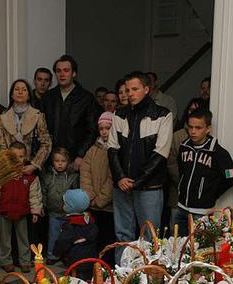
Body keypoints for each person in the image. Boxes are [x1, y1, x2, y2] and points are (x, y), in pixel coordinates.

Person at [108, 71, 173, 261]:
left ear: (146, 89)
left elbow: (161, 153)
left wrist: (136, 182)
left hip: (149, 187)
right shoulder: (119, 114)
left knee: (150, 237)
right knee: (122, 236)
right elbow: (112, 149)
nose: (130, 93)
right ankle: (121, 275)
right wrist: (120, 178)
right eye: (127, 90)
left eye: (135, 89)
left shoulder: (162, 115)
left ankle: (148, 278)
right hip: (121, 186)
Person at [173, 108, 233, 236]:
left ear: (208, 129)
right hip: (181, 208)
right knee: (177, 246)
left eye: (198, 128)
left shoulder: (217, 152)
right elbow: (181, 170)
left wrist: (212, 192)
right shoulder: (184, 147)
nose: (193, 131)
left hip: (202, 212)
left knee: (200, 250)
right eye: (190, 127)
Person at [0, 142, 42, 272]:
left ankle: (25, 261)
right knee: (5, 239)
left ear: (25, 157)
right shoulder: (1, 174)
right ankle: (6, 261)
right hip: (4, 211)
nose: (18, 160)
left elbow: (35, 196)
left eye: (21, 156)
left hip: (22, 212)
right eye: (15, 156)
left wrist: (35, 211)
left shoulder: (29, 176)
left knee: (23, 239)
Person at [40, 54, 100, 168]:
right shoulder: (47, 98)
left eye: (66, 70)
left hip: (74, 160)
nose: (62, 74)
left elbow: (92, 131)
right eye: (58, 71)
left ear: (74, 73)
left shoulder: (86, 98)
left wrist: (81, 155)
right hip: (50, 160)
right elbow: (41, 130)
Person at [0, 79, 52, 174]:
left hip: (31, 166)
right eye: (17, 89)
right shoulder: (3, 117)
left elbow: (46, 143)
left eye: (24, 90)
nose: (20, 92)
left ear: (29, 95)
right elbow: (1, 145)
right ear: (12, 95)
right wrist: (9, 164)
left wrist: (34, 165)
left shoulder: (38, 115)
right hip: (9, 168)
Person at [168, 97, 208, 227]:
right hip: (178, 194)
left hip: (200, 201)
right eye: (191, 110)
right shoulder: (177, 136)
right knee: (176, 233)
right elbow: (171, 162)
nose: (193, 113)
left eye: (197, 110)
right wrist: (184, 181)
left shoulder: (210, 141)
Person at [80, 112, 114, 262]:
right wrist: (90, 196)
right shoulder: (93, 150)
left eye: (108, 128)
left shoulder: (115, 150)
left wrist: (101, 199)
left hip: (109, 206)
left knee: (109, 238)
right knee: (95, 238)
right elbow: (85, 172)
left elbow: (113, 177)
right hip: (93, 204)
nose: (104, 131)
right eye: (101, 128)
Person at [41, 147, 79, 262]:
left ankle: (67, 255)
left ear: (68, 162)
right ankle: (52, 255)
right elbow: (43, 192)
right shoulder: (48, 176)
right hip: (53, 212)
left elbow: (76, 193)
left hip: (68, 213)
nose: (60, 164)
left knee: (68, 236)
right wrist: (42, 205)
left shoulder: (73, 177)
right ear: (53, 162)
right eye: (57, 161)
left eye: (63, 161)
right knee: (53, 236)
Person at [53, 189, 98, 281]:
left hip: (75, 260)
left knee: (76, 282)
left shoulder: (71, 225)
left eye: (65, 203)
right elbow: (94, 234)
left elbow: (63, 241)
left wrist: (56, 251)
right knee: (89, 280)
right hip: (91, 258)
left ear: (70, 207)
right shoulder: (89, 220)